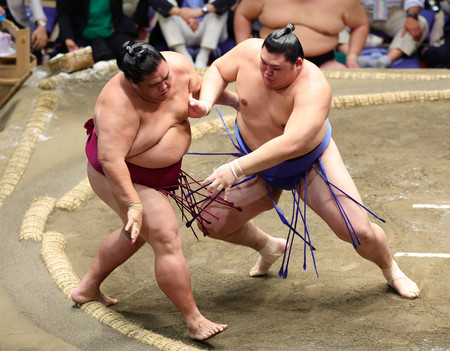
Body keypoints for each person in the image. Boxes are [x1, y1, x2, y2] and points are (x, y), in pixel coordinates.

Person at [189, 24, 421, 299]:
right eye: (263, 64)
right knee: (210, 220)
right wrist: (207, 102)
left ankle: (391, 269)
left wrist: (235, 168)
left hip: (307, 162)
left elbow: (291, 144)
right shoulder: (249, 51)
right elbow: (217, 69)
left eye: (275, 68)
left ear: (297, 64)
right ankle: (269, 246)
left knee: (357, 231)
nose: (265, 72)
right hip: (251, 152)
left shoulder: (314, 87)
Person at [70, 41, 239, 340]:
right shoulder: (115, 105)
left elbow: (201, 89)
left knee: (135, 236)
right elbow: (111, 160)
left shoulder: (177, 65)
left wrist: (236, 103)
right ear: (133, 83)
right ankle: (194, 320)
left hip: (159, 172)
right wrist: (133, 204)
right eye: (154, 84)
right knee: (164, 233)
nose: (165, 87)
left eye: (166, 78)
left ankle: (87, 288)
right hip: (120, 175)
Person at [232, 0, 369, 68]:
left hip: (324, 63)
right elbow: (243, 15)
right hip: (269, 62)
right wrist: (244, 49)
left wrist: (352, 57)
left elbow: (360, 25)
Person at [340, 0, 430, 68]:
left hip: (393, 11)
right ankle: (353, 58)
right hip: (360, 8)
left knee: (421, 23)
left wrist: (412, 16)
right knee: (333, 22)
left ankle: (386, 60)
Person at [146, 0, 235, 67]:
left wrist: (201, 11)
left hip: (210, 31)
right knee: (167, 5)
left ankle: (203, 57)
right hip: (181, 29)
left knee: (217, 5)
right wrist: (181, 13)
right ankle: (184, 56)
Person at [56, 0, 138, 62]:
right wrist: (68, 39)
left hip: (110, 33)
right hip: (81, 36)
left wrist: (117, 24)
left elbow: (118, 11)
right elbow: (63, 14)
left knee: (130, 52)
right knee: (96, 57)